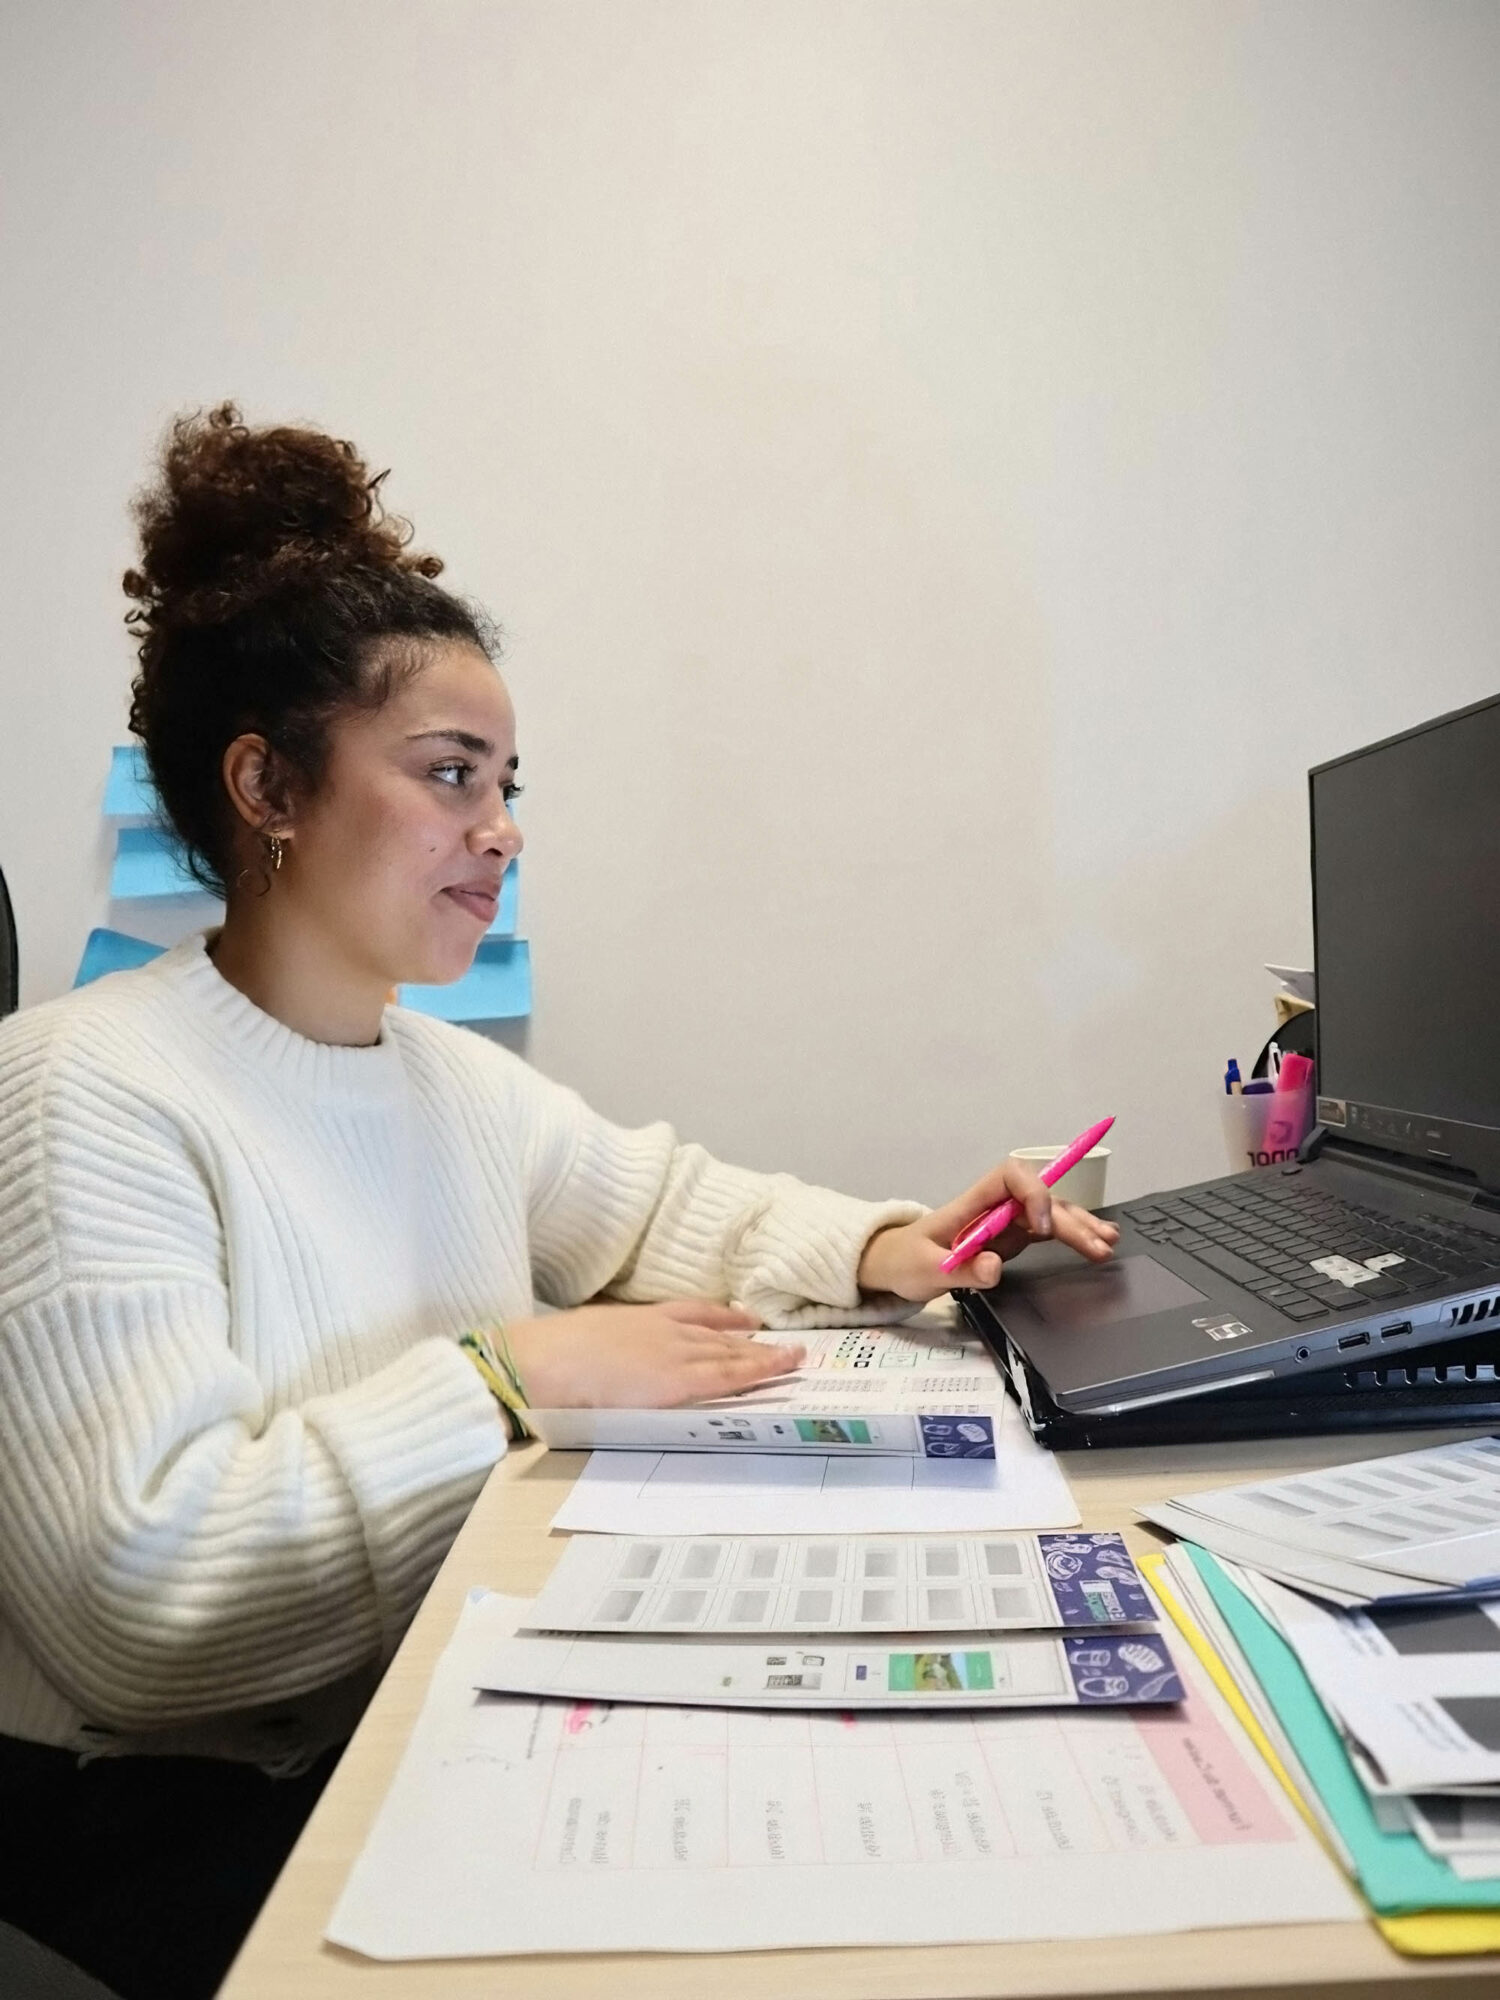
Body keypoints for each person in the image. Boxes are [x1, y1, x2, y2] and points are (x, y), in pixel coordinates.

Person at [0, 404, 1118, 2000]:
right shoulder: (79, 1089)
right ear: (268, 786)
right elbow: (145, 1607)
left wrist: (894, 1245)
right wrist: (506, 1375)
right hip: (159, 1809)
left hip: (394, 1713)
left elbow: (663, 1204)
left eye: (507, 783)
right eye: (450, 775)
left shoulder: (449, 1082)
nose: (503, 829)